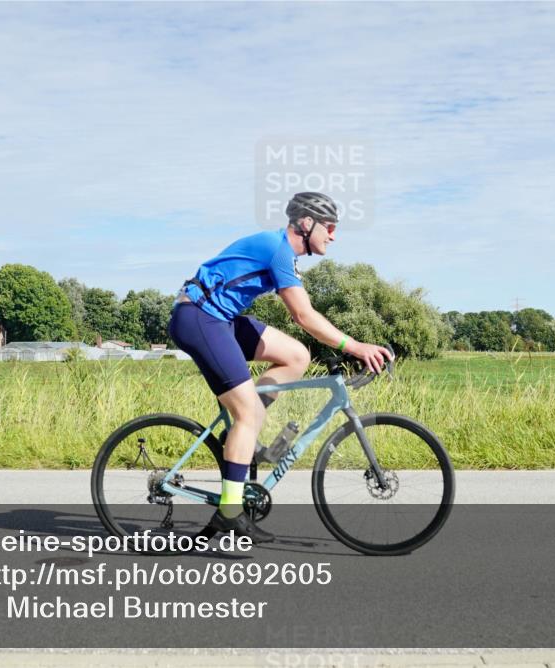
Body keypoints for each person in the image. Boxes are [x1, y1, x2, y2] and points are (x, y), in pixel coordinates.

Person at [167, 192, 394, 543]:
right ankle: (230, 511)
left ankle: (240, 433)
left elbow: (305, 316)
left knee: (297, 356)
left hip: (221, 318)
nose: (333, 235)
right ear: (307, 223)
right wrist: (356, 347)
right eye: (329, 227)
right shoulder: (277, 250)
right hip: (199, 318)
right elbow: (303, 315)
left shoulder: (281, 252)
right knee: (248, 414)